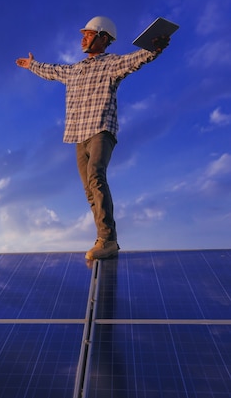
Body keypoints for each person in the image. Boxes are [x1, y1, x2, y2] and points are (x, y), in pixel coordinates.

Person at [16, 16, 170, 260]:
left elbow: (136, 59)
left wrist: (154, 48)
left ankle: (108, 240)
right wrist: (32, 65)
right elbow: (54, 71)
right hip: (79, 134)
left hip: (100, 130)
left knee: (96, 175)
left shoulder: (111, 64)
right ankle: (103, 237)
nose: (83, 38)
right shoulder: (75, 70)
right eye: (83, 35)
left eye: (88, 34)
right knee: (89, 188)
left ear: (103, 38)